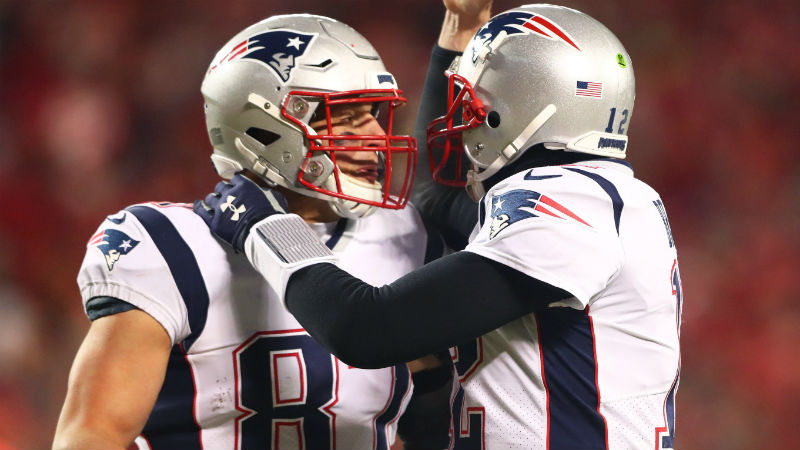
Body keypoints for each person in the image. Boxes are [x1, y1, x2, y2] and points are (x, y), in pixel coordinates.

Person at [195, 3, 684, 449]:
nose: (460, 120)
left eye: (471, 105)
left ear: (526, 110)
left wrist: (264, 224)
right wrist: (460, 31)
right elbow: (434, 194)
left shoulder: (572, 205)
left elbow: (365, 329)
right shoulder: (595, 200)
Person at [53, 14, 452, 450]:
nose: (376, 135)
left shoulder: (407, 237)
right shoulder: (170, 245)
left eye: (373, 113)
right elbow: (91, 436)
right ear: (266, 128)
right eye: (347, 117)